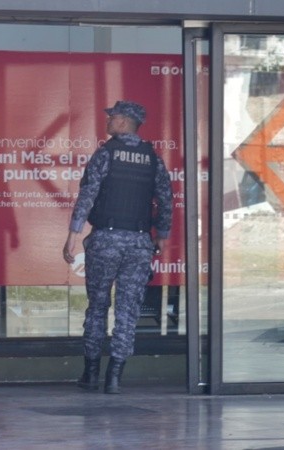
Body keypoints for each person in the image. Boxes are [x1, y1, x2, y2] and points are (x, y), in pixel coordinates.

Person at [62, 100, 173, 394]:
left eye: (112, 117)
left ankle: (91, 374)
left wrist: (73, 234)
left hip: (105, 241)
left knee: (97, 308)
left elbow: (87, 195)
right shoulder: (153, 158)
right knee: (127, 311)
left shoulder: (106, 154)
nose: (108, 121)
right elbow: (166, 198)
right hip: (139, 244)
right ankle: (114, 378)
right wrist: (161, 235)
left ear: (124, 122)